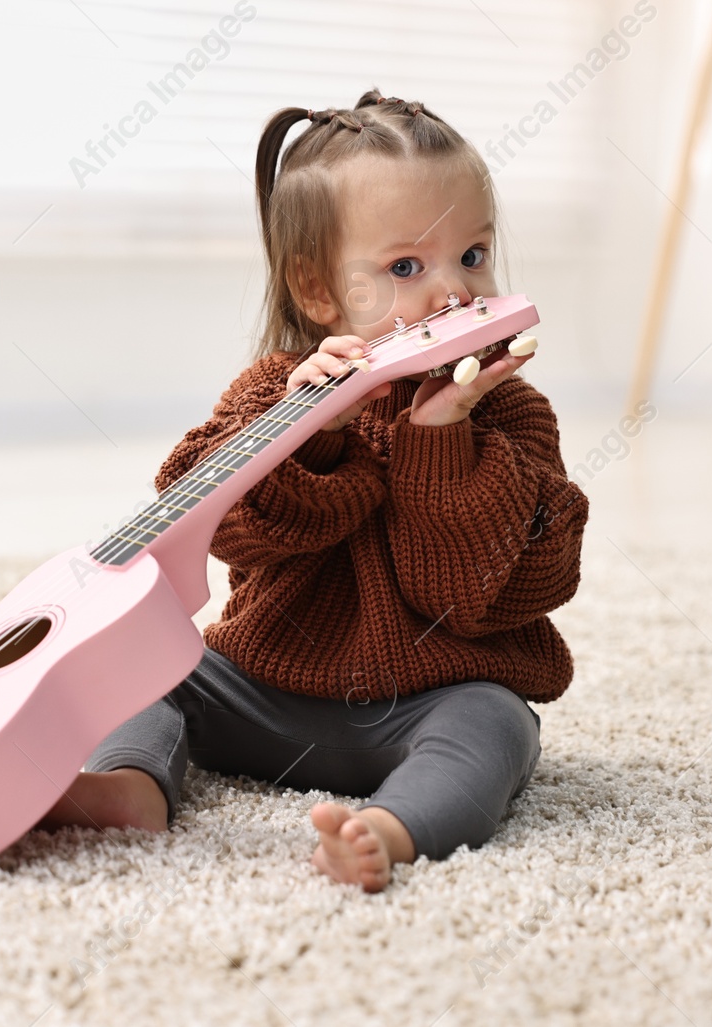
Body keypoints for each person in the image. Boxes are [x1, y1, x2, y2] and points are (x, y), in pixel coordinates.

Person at [41, 90, 589, 891]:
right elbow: (212, 520)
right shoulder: (274, 392)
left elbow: (487, 594)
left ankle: (392, 828)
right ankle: (132, 785)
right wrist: (310, 425)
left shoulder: (511, 414)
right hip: (262, 692)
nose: (454, 294)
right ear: (318, 290)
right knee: (147, 663)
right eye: (407, 267)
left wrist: (443, 444)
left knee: (498, 722)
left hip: (430, 701)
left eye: (472, 255)